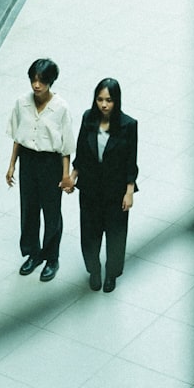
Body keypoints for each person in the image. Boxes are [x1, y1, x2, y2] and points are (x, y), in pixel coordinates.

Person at [5, 59, 75, 282]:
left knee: (52, 211)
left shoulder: (61, 107)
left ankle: (52, 258)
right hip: (28, 160)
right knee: (29, 208)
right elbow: (18, 136)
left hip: (50, 163)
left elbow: (65, 146)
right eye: (33, 80)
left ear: (51, 81)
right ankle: (33, 254)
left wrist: (65, 175)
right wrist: (12, 164)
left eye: (42, 81)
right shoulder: (21, 103)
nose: (36, 85)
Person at [66, 78, 138, 292]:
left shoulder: (128, 125)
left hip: (115, 191)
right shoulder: (88, 119)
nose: (104, 105)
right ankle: (94, 270)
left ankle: (111, 274)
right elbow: (81, 150)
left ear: (117, 101)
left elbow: (130, 161)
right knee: (89, 233)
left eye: (109, 100)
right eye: (100, 99)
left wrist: (129, 191)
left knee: (115, 234)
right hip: (90, 188)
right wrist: (72, 176)